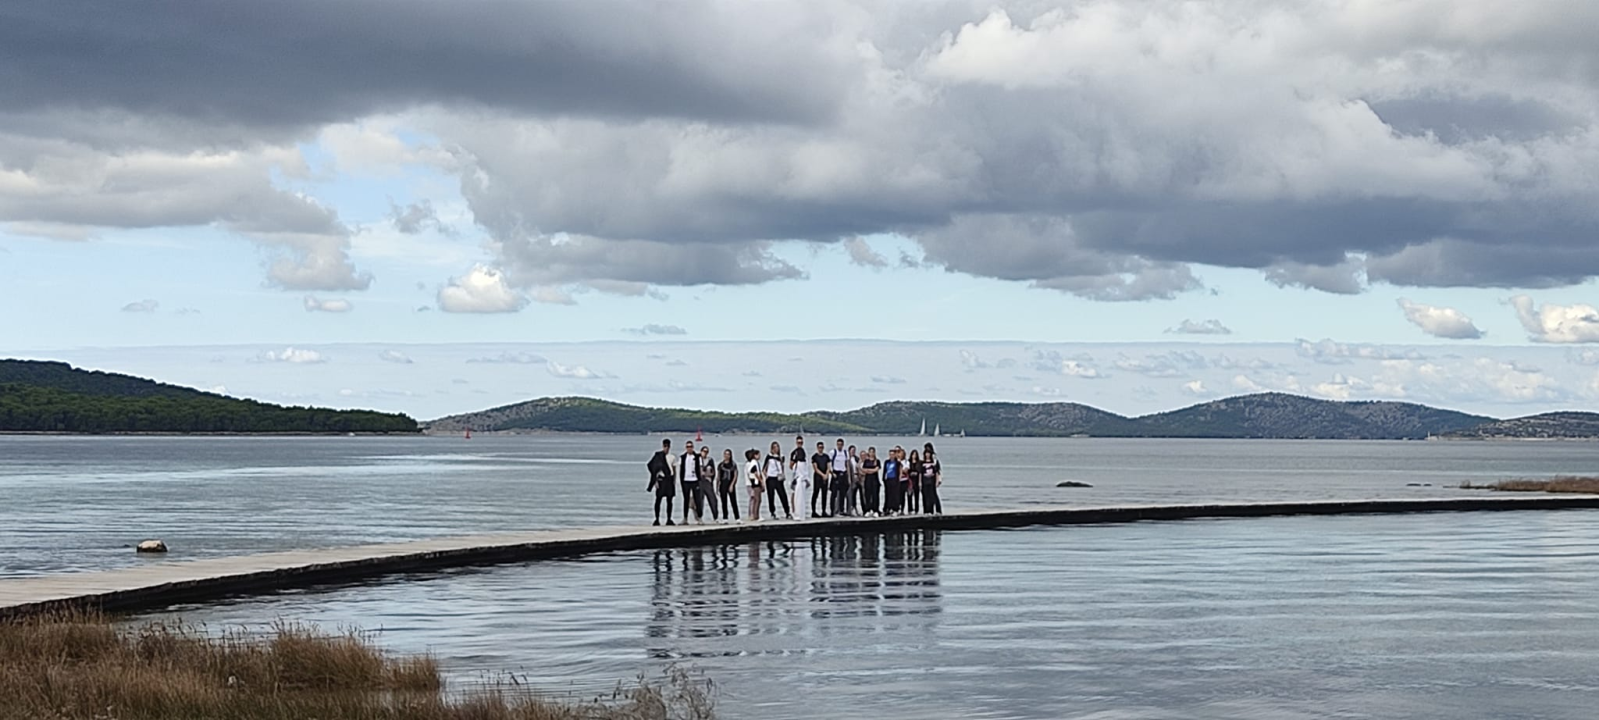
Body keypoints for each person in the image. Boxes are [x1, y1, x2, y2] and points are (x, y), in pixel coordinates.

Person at [646, 438, 677, 526]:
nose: (666, 448)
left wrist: (674, 481)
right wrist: (655, 480)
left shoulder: (672, 457)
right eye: (665, 446)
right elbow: (651, 467)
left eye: (667, 446)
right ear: (662, 446)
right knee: (658, 500)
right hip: (661, 480)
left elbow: (674, 470)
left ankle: (669, 519)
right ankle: (657, 519)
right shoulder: (658, 456)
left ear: (670, 447)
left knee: (669, 500)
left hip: (669, 480)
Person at [764, 441, 793, 519]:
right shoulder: (769, 456)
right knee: (771, 496)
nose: (776, 449)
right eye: (774, 447)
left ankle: (787, 512)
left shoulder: (781, 457)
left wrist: (783, 474)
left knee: (783, 495)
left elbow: (782, 467)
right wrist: (766, 476)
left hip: (778, 478)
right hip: (771, 478)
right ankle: (772, 512)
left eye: (777, 447)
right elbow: (764, 468)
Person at [679, 440, 706, 524]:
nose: (689, 448)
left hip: (695, 480)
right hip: (685, 480)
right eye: (687, 447)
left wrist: (700, 478)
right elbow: (680, 468)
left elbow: (700, 468)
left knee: (697, 499)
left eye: (690, 447)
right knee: (686, 500)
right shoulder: (682, 457)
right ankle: (685, 518)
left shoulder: (697, 457)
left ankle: (699, 518)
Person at [717, 448, 741, 522]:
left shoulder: (733, 465)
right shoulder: (721, 465)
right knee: (724, 501)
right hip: (723, 484)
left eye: (728, 454)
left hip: (730, 483)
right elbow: (718, 476)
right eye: (725, 454)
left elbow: (735, 475)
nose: (726, 456)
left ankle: (737, 518)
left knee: (733, 501)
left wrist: (732, 485)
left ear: (730, 455)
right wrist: (717, 487)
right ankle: (725, 518)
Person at [829, 439, 850, 517]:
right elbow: (829, 464)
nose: (839, 446)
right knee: (833, 494)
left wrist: (848, 476)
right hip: (835, 474)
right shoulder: (833, 453)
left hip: (843, 474)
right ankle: (832, 511)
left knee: (842, 494)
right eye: (838, 444)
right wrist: (831, 473)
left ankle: (841, 510)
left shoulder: (845, 453)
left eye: (841, 444)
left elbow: (847, 464)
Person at [699, 445, 720, 522]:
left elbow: (713, 471)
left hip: (708, 481)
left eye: (706, 451)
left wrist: (710, 477)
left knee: (713, 499)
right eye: (704, 451)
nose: (705, 453)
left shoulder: (710, 460)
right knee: (700, 500)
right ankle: (700, 517)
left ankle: (715, 517)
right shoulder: (698, 460)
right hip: (699, 482)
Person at [812, 441, 832, 518]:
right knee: (815, 493)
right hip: (817, 477)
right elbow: (815, 468)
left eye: (822, 447)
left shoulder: (826, 457)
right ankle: (813, 511)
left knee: (824, 494)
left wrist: (826, 474)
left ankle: (824, 511)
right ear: (817, 448)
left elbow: (828, 466)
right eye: (819, 447)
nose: (821, 449)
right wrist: (822, 475)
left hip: (825, 477)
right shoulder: (814, 457)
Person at [922, 442, 943, 514]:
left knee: (933, 494)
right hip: (925, 479)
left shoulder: (934, 459)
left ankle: (937, 510)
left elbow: (937, 470)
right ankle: (928, 509)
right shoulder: (924, 460)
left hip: (932, 478)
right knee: (926, 495)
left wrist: (938, 480)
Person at [861, 447, 881, 517]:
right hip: (867, 480)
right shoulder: (866, 461)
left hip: (875, 481)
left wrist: (869, 470)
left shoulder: (877, 461)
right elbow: (863, 469)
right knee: (867, 495)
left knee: (875, 495)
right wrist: (870, 470)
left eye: (873, 452)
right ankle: (868, 510)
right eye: (870, 452)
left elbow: (876, 469)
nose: (871, 453)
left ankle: (875, 510)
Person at [744, 449, 763, 522]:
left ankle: (753, 514)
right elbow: (753, 473)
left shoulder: (752, 463)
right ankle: (754, 515)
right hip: (753, 483)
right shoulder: (752, 463)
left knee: (755, 499)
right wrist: (760, 481)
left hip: (752, 483)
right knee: (756, 499)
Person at [882, 446, 901, 515]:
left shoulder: (897, 463)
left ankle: (895, 508)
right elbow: (885, 471)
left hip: (895, 480)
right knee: (888, 494)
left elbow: (899, 471)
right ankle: (887, 508)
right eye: (890, 454)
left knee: (895, 495)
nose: (891, 456)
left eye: (893, 454)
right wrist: (884, 479)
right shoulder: (886, 462)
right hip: (888, 480)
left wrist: (898, 480)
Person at [905, 449, 922, 514]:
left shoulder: (919, 462)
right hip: (910, 480)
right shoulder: (909, 462)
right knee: (909, 495)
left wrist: (920, 482)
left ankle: (916, 509)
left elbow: (920, 472)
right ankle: (910, 509)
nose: (914, 456)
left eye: (915, 454)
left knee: (916, 496)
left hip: (916, 480)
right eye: (913, 454)